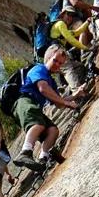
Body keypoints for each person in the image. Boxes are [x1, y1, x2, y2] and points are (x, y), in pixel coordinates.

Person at [12, 45, 85, 173]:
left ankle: (43, 159)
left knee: (53, 130)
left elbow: (58, 103)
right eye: (55, 60)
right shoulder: (39, 69)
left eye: (60, 63)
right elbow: (43, 89)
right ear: (48, 58)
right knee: (38, 124)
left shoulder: (51, 82)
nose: (57, 65)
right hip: (23, 101)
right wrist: (66, 102)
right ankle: (25, 152)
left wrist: (75, 95)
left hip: (34, 106)